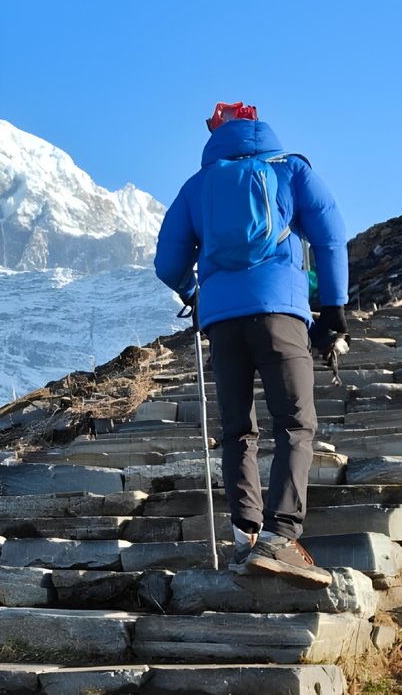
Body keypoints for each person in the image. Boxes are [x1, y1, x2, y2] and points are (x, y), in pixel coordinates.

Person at [154, 101, 348, 584]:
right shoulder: (289, 169)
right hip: (280, 311)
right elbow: (329, 235)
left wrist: (195, 294)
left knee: (239, 428)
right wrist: (334, 310)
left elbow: (167, 263)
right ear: (261, 128)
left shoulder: (198, 186)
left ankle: (246, 536)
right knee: (295, 423)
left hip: (223, 321)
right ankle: (283, 536)